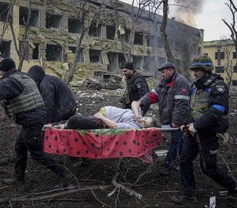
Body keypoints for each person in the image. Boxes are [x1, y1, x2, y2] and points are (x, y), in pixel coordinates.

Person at [0, 58, 71, 188]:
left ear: (4, 71)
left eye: (0, 72)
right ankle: (18, 179)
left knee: (37, 153)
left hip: (31, 121)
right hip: (34, 119)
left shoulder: (10, 82)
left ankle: (64, 174)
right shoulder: (24, 77)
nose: (0, 75)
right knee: (20, 146)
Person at [171, 56, 237, 205]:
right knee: (185, 159)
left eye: (197, 70)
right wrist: (186, 124)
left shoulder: (218, 86)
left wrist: (196, 125)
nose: (194, 73)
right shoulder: (196, 86)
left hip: (208, 133)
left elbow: (216, 112)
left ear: (206, 70)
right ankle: (189, 195)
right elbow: (193, 108)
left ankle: (233, 186)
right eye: (193, 70)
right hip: (193, 132)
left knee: (208, 168)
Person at [132, 62, 191, 175]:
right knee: (180, 140)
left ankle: (168, 164)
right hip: (168, 118)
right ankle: (184, 160)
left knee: (175, 141)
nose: (162, 75)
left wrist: (176, 121)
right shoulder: (163, 83)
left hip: (180, 119)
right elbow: (152, 95)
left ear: (170, 70)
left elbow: (181, 104)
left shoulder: (180, 82)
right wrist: (140, 102)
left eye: (163, 72)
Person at [59, 106, 160, 129]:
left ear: (144, 127)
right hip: (102, 115)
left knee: (74, 120)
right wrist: (137, 115)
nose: (142, 120)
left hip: (101, 121)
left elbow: (115, 126)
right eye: (146, 118)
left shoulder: (134, 126)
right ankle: (60, 125)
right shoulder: (138, 115)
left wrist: (101, 117)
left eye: (144, 123)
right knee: (72, 120)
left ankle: (63, 126)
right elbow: (135, 102)